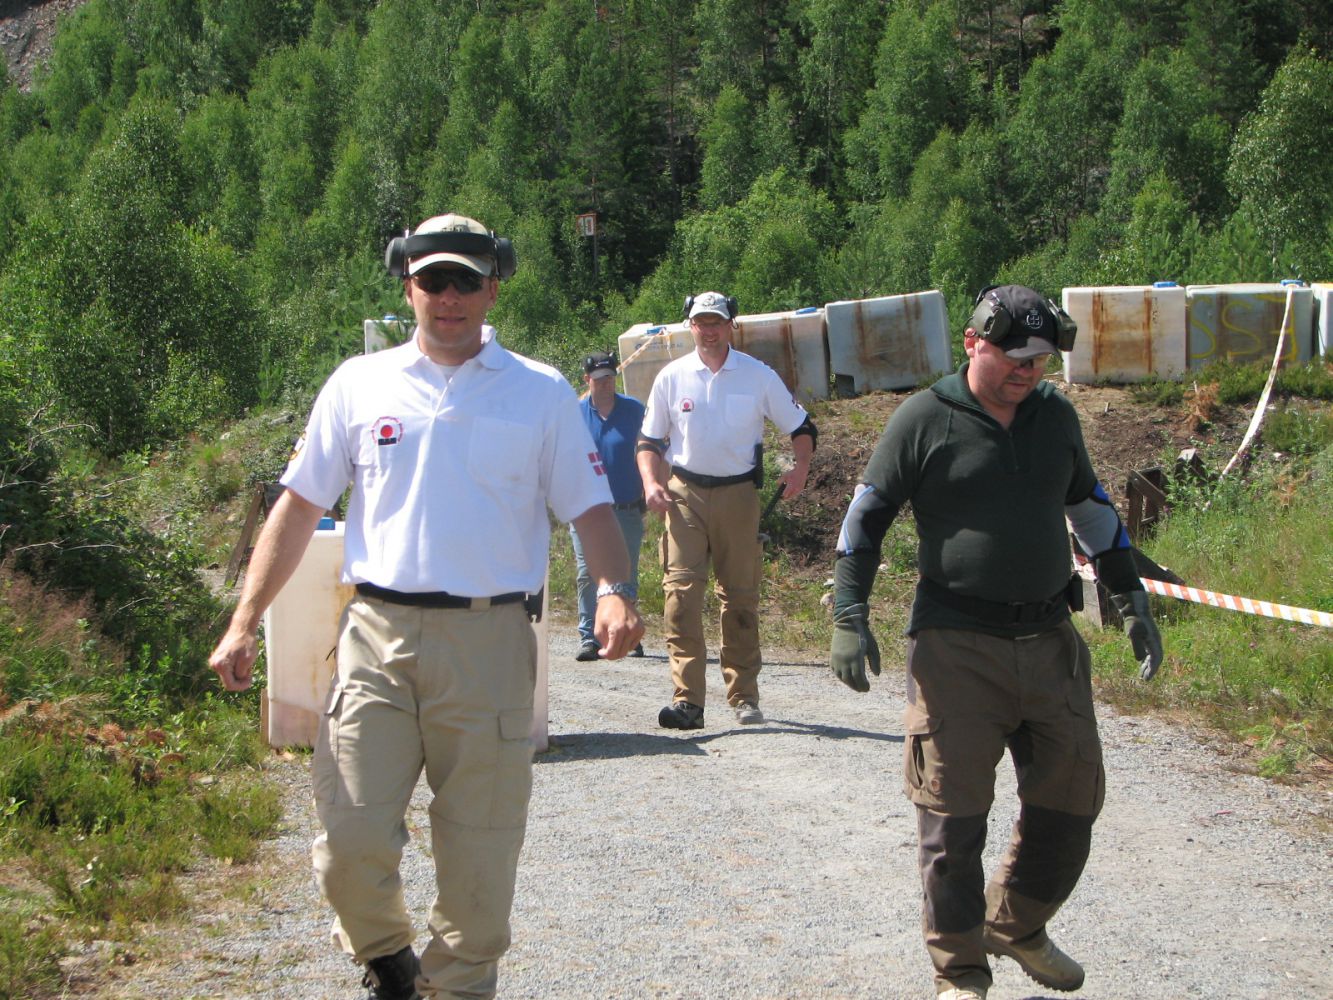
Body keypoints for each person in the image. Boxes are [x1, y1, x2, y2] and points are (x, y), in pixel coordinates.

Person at [208, 213, 644, 1000]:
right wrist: (243, 622)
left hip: (489, 641)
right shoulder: (358, 383)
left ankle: (459, 987)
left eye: (465, 281)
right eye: (432, 280)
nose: (449, 297)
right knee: (348, 837)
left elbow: (589, 508)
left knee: (480, 854)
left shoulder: (540, 392)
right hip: (374, 637)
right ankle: (388, 962)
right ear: (407, 287)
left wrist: (613, 590)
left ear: (492, 289)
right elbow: (299, 507)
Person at [827, 284, 1164, 1000]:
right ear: (973, 342)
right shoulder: (923, 418)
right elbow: (865, 520)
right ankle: (959, 973)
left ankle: (1014, 925)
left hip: (1048, 641)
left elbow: (1091, 510)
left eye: (1038, 360)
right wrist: (849, 613)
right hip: (956, 648)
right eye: (1014, 356)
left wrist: (1129, 597)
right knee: (952, 823)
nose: (1026, 371)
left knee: (1072, 801)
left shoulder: (1054, 416)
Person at [637, 290, 817, 729]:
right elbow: (649, 441)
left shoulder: (757, 376)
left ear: (730, 325)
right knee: (680, 595)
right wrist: (651, 483)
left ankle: (744, 697)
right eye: (701, 322)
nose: (709, 330)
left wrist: (800, 468)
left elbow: (801, 426)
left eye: (716, 322)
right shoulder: (671, 376)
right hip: (684, 495)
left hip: (738, 496)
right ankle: (688, 702)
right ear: (691, 326)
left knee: (739, 598)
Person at [570, 350, 647, 661]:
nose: (605, 384)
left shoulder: (634, 410)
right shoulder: (575, 413)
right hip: (586, 508)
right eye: (599, 379)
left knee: (626, 570)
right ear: (587, 380)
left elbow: (651, 448)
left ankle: (627, 634)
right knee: (587, 572)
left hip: (626, 505)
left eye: (610, 378)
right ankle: (590, 636)